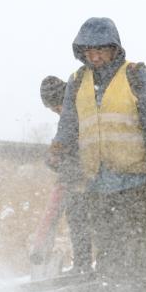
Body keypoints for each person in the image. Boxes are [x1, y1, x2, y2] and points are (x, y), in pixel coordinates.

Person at [48, 17, 146, 292]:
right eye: (89, 51)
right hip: (99, 183)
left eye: (101, 49)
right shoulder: (78, 82)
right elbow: (69, 124)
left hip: (138, 180)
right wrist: (59, 146)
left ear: (115, 48)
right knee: (109, 246)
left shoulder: (135, 76)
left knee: (144, 245)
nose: (95, 56)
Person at [40, 75, 95, 272]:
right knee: (76, 219)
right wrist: (54, 160)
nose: (57, 112)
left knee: (97, 222)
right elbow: (63, 147)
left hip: (92, 179)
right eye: (53, 109)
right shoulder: (66, 119)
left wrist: (67, 165)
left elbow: (85, 148)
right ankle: (82, 264)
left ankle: (96, 266)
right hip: (76, 180)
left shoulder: (82, 113)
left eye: (57, 106)